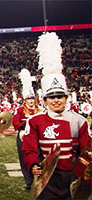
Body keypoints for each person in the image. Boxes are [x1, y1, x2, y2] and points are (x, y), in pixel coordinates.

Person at [22, 32, 91, 199]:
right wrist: (32, 165)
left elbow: (86, 150)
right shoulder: (34, 121)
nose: (56, 101)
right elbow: (30, 148)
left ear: (66, 98)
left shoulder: (79, 121)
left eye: (60, 96)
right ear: (44, 100)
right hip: (47, 177)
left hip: (72, 174)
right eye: (51, 97)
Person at [12, 68, 41, 189]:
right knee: (24, 157)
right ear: (25, 100)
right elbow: (15, 122)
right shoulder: (19, 110)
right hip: (23, 135)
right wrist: (24, 126)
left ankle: (39, 178)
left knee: (39, 156)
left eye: (32, 99)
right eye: (28, 99)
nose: (30, 101)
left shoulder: (40, 110)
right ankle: (28, 180)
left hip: (38, 136)